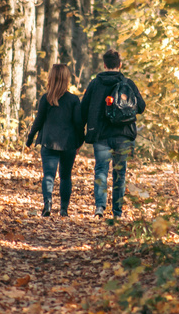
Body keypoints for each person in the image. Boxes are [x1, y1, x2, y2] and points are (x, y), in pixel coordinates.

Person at [80, 48, 146, 218]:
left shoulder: (95, 84)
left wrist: (81, 131)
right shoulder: (128, 83)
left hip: (101, 136)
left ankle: (100, 208)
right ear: (120, 65)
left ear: (104, 65)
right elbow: (142, 106)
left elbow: (83, 109)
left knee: (101, 170)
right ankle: (117, 211)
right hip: (123, 135)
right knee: (120, 173)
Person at [26, 64, 83, 217]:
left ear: (51, 78)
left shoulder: (46, 98)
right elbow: (78, 124)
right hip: (68, 144)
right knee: (65, 176)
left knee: (49, 175)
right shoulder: (73, 100)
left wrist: (30, 138)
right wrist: (80, 141)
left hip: (49, 142)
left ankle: (48, 204)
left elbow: (38, 121)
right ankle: (64, 209)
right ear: (66, 79)